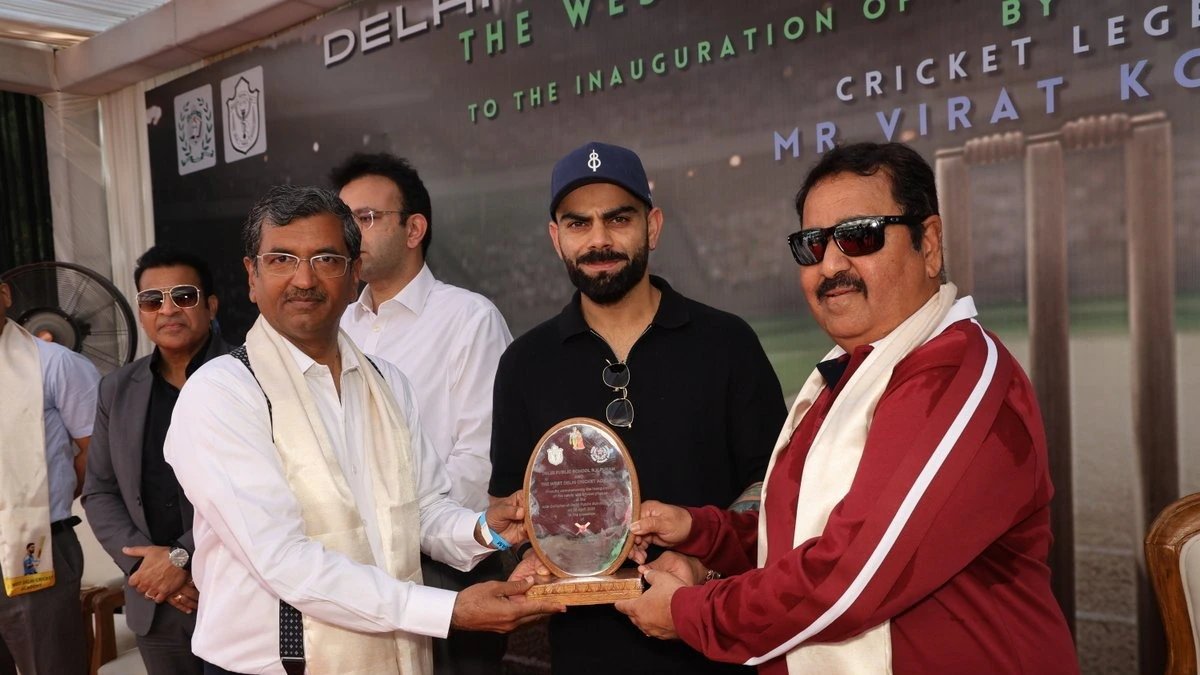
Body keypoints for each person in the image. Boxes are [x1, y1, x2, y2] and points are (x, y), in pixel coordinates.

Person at [615, 142, 1079, 674]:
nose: (831, 264)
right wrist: (703, 537)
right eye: (812, 245)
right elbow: (805, 534)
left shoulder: (954, 371)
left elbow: (850, 574)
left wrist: (690, 613)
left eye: (861, 235)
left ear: (928, 244)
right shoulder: (852, 371)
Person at [164, 185, 562, 675]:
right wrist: (448, 611)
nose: (304, 279)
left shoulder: (386, 382)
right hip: (273, 667)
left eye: (326, 259)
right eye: (282, 259)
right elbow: (283, 558)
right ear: (252, 275)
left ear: (354, 274)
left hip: (395, 657)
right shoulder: (222, 393)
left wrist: (485, 530)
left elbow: (421, 508)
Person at [489, 141, 786, 675]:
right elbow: (509, 503)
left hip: (717, 643)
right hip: (585, 657)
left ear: (653, 226)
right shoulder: (524, 364)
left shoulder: (726, 342)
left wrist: (700, 561)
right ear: (556, 238)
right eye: (578, 223)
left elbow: (774, 487)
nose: (599, 239)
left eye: (618, 219)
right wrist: (532, 555)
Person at [331, 153, 513, 674]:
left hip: (445, 567)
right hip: (354, 572)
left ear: (414, 229)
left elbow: (480, 460)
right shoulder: (339, 326)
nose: (350, 235)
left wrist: (406, 531)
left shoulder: (468, 318)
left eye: (366, 218)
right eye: (344, 222)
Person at [82, 246, 232, 675]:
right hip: (156, 603)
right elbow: (100, 492)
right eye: (152, 300)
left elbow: (264, 490)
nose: (167, 310)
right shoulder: (117, 389)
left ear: (211, 305)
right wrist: (146, 569)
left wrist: (181, 558)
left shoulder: (249, 375)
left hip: (235, 592)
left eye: (183, 296)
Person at [0, 272, 101, 675]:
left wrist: (43, 498)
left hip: (37, 545)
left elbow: (97, 452)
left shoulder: (56, 363)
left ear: (4, 294)